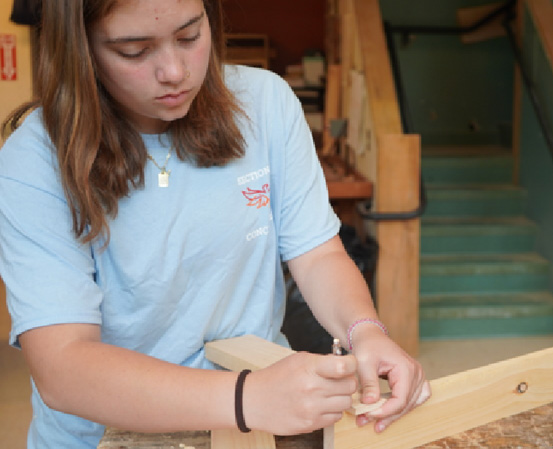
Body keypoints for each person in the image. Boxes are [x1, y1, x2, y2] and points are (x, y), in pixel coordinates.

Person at [0, 1, 431, 447]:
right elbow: (63, 367)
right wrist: (248, 398)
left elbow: (317, 253)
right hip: (105, 437)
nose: (174, 71)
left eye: (189, 37)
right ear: (79, 48)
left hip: (258, 424)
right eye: (134, 51)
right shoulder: (33, 161)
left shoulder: (266, 103)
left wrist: (365, 331)